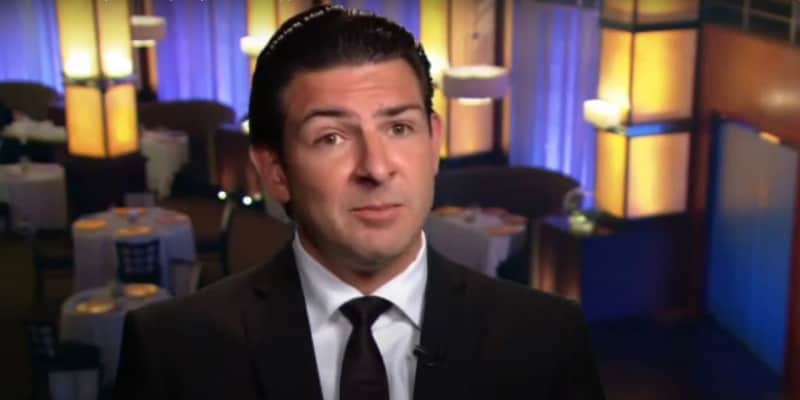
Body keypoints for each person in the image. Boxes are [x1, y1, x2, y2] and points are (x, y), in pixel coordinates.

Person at [114, 5, 605, 400]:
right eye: (331, 137)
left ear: (434, 142)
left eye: (399, 128)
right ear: (276, 171)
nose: (376, 167)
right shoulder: (171, 349)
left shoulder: (546, 338)